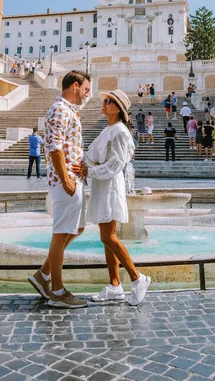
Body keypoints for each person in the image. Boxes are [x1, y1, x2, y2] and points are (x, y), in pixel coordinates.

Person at [74, 90, 151, 306]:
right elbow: (91, 155)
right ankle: (115, 285)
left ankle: (137, 278)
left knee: (109, 237)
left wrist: (90, 171)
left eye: (108, 102)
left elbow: (117, 164)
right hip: (101, 185)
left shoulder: (120, 132)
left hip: (109, 186)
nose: (104, 104)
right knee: (106, 237)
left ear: (117, 108)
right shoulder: (108, 130)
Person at [28, 70, 91, 309]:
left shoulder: (68, 111)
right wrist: (65, 179)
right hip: (65, 181)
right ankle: (57, 290)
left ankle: (43, 275)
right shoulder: (59, 110)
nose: (87, 95)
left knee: (78, 228)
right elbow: (53, 148)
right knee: (61, 232)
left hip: (73, 179)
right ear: (75, 86)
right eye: (86, 89)